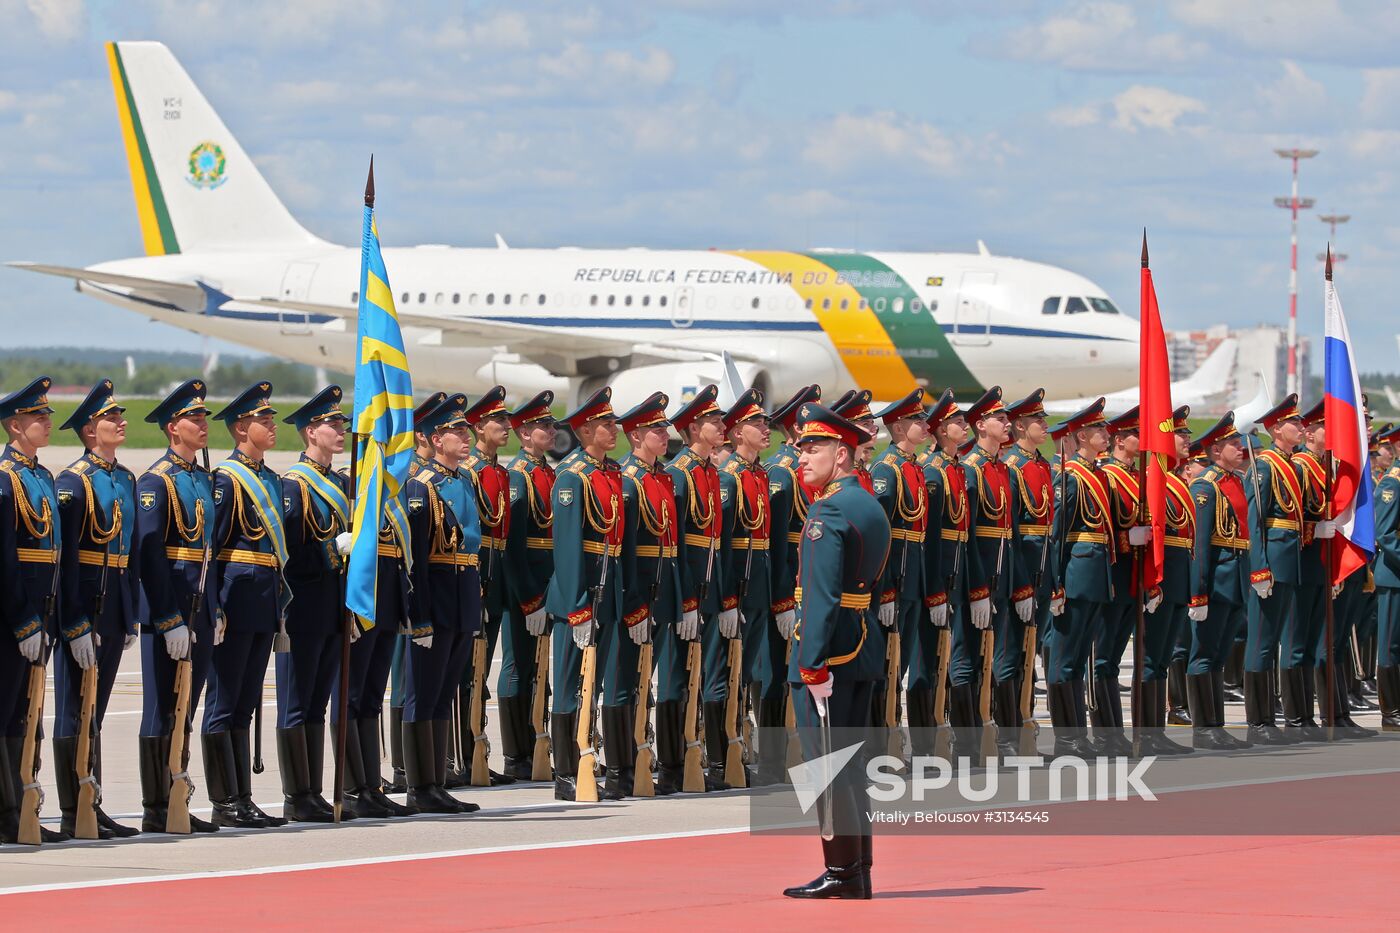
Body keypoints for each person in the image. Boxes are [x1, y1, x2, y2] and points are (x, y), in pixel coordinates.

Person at [781, 402, 891, 901]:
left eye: (814, 447)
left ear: (842, 454)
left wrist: (811, 661)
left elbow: (822, 594)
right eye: (801, 446)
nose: (802, 455)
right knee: (851, 763)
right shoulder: (864, 501)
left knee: (826, 762)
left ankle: (841, 872)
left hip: (831, 652)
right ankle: (857, 868)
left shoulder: (829, 509)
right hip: (860, 641)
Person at [53, 379, 141, 838]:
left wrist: (131, 615)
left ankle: (94, 800)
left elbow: (131, 556)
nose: (120, 422)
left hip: (115, 605)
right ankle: (74, 808)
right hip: (85, 606)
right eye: (111, 418)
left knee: (97, 711)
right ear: (90, 431)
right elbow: (66, 561)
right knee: (74, 709)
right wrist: (74, 622)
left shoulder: (124, 478)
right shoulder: (73, 481)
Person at [132, 379, 220, 834]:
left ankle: (178, 793)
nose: (203, 425)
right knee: (161, 707)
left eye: (205, 417)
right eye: (194, 418)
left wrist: (216, 610)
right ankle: (154, 804)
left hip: (201, 610)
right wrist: (168, 619)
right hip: (168, 612)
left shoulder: (202, 479)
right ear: (173, 428)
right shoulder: (155, 481)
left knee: (187, 706)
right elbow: (151, 554)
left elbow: (211, 552)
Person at [204, 382, 289, 828]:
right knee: (224, 701)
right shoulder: (226, 480)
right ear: (241, 427)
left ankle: (243, 796)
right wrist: (215, 607)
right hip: (235, 601)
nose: (272, 426)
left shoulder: (270, 479)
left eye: (273, 419)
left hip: (263, 601)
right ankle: (224, 799)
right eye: (264, 420)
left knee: (246, 704)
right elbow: (212, 551)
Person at [402, 393, 482, 814]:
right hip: (435, 597)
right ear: (435, 439)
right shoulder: (422, 486)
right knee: (424, 692)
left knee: (445, 692)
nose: (464, 437)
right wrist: (420, 617)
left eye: (465, 430)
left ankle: (436, 781)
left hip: (463, 593)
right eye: (455, 431)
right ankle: (419, 786)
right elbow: (414, 559)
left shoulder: (463, 480)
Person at [277, 386, 353, 822]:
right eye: (332, 424)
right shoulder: (294, 485)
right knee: (297, 699)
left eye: (341, 423)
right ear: (311, 432)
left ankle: (314, 790)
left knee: (319, 701)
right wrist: (331, 550)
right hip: (303, 607)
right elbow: (289, 555)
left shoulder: (341, 482)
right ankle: (295, 795)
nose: (340, 430)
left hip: (333, 606)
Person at [546, 387, 625, 801]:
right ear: (584, 429)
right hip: (579, 592)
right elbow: (568, 548)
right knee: (568, 682)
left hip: (608, 584)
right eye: (605, 424)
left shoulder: (610, 472)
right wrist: (577, 608)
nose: (614, 430)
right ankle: (564, 771)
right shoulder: (571, 476)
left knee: (598, 682)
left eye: (613, 422)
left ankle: (593, 760)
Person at [0, 377, 69, 843]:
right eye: (37, 417)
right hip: (12, 618)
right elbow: (5, 560)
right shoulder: (5, 481)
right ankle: (5, 813)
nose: (47, 422)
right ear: (13, 425)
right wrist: (23, 620)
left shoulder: (41, 476)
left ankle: (21, 808)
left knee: (27, 715)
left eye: (46, 415)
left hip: (40, 613)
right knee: (4, 714)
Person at [618, 392, 684, 793]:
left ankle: (645, 754)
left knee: (651, 680)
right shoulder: (628, 480)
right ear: (638, 434)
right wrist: (634, 605)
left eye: (664, 427)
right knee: (626, 679)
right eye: (657, 429)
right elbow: (626, 552)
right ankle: (623, 765)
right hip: (639, 592)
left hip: (664, 590)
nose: (665, 434)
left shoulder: (662, 477)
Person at [666, 385, 730, 790]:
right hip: (686, 591)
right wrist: (687, 600)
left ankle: (707, 756)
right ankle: (674, 764)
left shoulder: (710, 472)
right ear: (693, 428)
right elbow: (676, 544)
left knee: (711, 674)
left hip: (711, 590)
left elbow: (715, 547)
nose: (723, 427)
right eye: (714, 421)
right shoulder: (681, 474)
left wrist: (724, 599)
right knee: (676, 676)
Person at [384, 391, 447, 794]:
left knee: (430, 685)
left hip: (435, 593)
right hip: (405, 592)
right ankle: (407, 770)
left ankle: (430, 773)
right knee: (405, 681)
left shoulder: (433, 482)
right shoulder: (411, 484)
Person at [961, 387, 1026, 756]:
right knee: (971, 658)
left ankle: (1007, 735)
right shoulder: (971, 470)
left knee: (1005, 655)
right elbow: (967, 537)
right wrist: (977, 588)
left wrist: (1020, 586)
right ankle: (971, 740)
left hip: (1004, 577)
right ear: (980, 425)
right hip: (981, 578)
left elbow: (1012, 534)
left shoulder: (1004, 470)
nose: (1006, 424)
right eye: (999, 419)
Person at [1046, 400, 1109, 757]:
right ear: (1082, 435)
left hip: (1095, 576)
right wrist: (1056, 585)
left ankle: (1078, 736)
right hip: (1074, 578)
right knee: (1064, 660)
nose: (1106, 435)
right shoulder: (1070, 478)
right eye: (1098, 430)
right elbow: (1057, 537)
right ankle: (1066, 738)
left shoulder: (1096, 474)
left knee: (1079, 659)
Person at [719, 388, 776, 787]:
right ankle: (725, 753)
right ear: (738, 432)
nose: (765, 428)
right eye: (757, 423)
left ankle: (743, 747)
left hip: (759, 586)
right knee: (729, 672)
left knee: (750, 672)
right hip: (736, 587)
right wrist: (726, 598)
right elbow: (720, 546)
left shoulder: (759, 474)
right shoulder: (731, 477)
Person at [1241, 396, 1306, 745]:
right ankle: (1257, 722)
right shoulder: (1263, 466)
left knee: (1275, 643)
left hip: (1289, 561)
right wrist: (1260, 568)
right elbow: (1256, 521)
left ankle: (1269, 717)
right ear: (1276, 428)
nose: (1302, 428)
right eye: (1294, 423)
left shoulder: (1291, 466)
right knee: (1262, 644)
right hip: (1271, 566)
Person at [1186, 414, 1253, 751]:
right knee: (1204, 654)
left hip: (1236, 580)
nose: (1240, 448)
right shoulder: (1205, 485)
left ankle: (1217, 724)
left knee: (1220, 656)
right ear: (1215, 449)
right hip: (1215, 583)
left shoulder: (1235, 481)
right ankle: (1204, 728)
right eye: (1233, 443)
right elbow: (1200, 545)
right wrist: (1198, 593)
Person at [461, 386, 516, 786]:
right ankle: (461, 754)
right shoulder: (472, 473)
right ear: (479, 427)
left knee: (480, 672)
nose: (506, 427)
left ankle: (476, 749)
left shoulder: (500, 472)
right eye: (498, 421)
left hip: (496, 581)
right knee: (467, 673)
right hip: (476, 578)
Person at [501, 391, 558, 782]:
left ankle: (537, 741)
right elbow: (514, 547)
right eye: (542, 426)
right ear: (523, 434)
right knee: (518, 665)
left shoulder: (549, 473)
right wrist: (529, 599)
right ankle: (516, 753)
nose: (551, 431)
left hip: (548, 580)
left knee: (540, 670)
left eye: (552, 425)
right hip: (524, 585)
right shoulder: (517, 476)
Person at [870, 389, 929, 748]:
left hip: (914, 582)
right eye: (917, 420)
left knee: (900, 666)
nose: (924, 425)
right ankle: (880, 742)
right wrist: (888, 590)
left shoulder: (913, 468)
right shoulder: (886, 470)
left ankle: (891, 736)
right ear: (898, 426)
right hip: (896, 583)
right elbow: (882, 537)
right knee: (885, 669)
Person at [1092, 407, 1151, 755]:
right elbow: (1107, 528)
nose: (1142, 443)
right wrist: (1132, 538)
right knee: (1102, 658)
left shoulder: (1133, 477)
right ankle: (1104, 731)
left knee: (1113, 657)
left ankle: (1114, 731)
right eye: (1137, 436)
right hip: (1113, 575)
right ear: (1120, 441)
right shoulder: (1109, 476)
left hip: (1131, 577)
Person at [1137, 406, 1194, 755]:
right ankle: (1145, 731)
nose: (1187, 439)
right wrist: (1151, 581)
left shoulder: (1174, 481)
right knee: (1149, 656)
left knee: (1161, 658)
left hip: (1178, 579)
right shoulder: (1151, 478)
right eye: (1180, 434)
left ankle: (1156, 731)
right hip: (1159, 581)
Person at [1002, 389, 1056, 736]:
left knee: (1034, 649)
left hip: (1045, 566)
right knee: (1012, 652)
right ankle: (1008, 729)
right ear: (1020, 426)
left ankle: (1026, 720)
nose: (1044, 425)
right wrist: (1022, 582)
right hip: (1023, 567)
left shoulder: (1042, 465)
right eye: (1037, 420)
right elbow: (1014, 528)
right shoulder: (1013, 467)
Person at [922, 392, 972, 756]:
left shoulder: (957, 467)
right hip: (939, 576)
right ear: (941, 430)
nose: (964, 426)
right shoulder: (934, 471)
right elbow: (932, 537)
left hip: (961, 571)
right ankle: (930, 742)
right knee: (931, 661)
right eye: (958, 422)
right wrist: (937, 590)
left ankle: (958, 736)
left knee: (958, 658)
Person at [1374, 425, 1400, 731]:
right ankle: (1390, 710)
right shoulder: (1392, 482)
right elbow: (1385, 532)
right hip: (1393, 575)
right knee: (1390, 645)